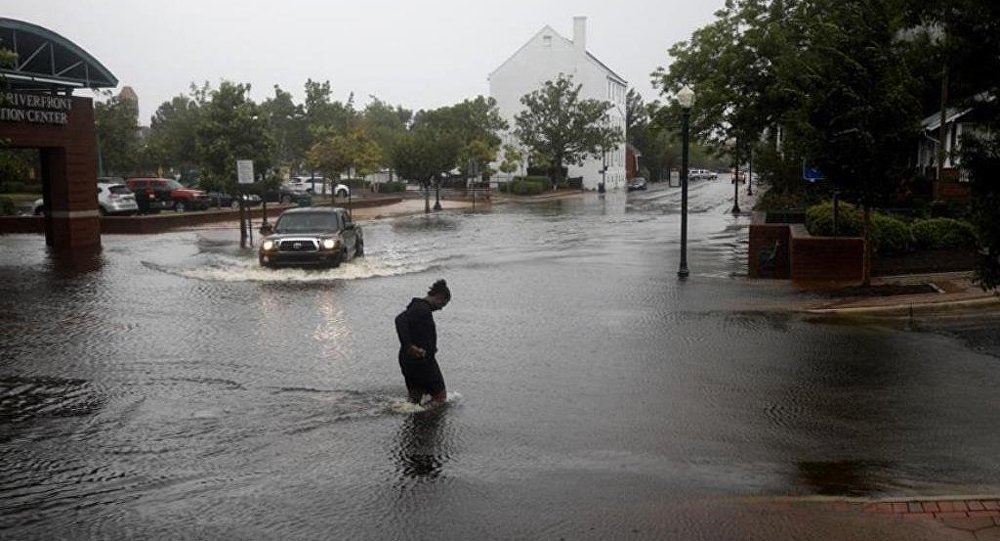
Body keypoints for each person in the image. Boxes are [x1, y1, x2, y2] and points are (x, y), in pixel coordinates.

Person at [395, 279, 451, 405]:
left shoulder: (418, 307)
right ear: (439, 297)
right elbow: (399, 320)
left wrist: (430, 346)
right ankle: (428, 420)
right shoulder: (422, 309)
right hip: (422, 362)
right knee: (440, 397)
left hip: (408, 361)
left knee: (414, 398)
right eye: (443, 304)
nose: (441, 308)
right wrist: (409, 346)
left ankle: (416, 420)